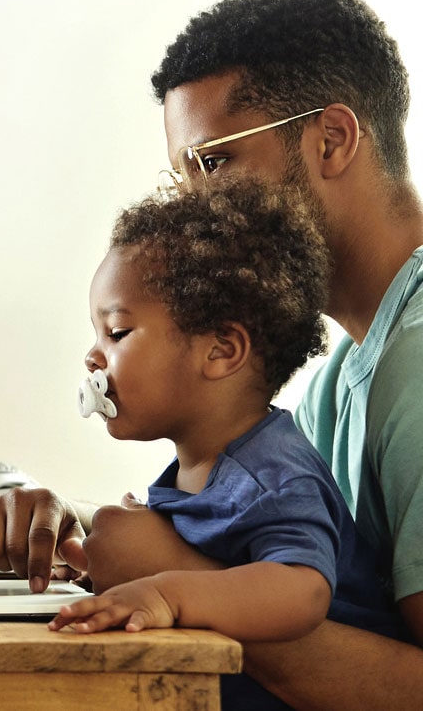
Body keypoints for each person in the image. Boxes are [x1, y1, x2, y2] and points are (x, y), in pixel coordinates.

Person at [0, 0, 423, 709]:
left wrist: (170, 573)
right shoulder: (343, 377)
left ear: (331, 140)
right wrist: (82, 529)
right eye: (181, 177)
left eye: (213, 163)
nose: (195, 207)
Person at [47, 180, 404, 710]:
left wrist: (167, 590)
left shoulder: (271, 473)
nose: (92, 358)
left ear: (221, 350)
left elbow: (302, 590)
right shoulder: (204, 467)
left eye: (117, 333)